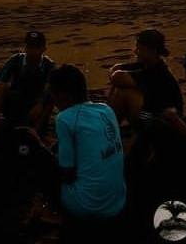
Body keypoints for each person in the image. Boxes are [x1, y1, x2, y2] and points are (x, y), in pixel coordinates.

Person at [50, 64, 126, 241]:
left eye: (53, 93)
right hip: (117, 203)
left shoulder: (64, 118)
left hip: (88, 207)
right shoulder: (106, 110)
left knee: (38, 155)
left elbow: (67, 172)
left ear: (63, 95)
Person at [0, 31, 56, 139]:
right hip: (17, 100)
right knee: (0, 86)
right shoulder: (15, 60)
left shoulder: (49, 65)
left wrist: (40, 103)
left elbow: (50, 88)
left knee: (52, 94)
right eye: (30, 47)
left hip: (36, 105)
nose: (32, 51)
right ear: (25, 48)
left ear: (43, 49)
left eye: (36, 47)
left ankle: (36, 129)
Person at [108, 28, 184, 131]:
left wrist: (117, 79)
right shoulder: (146, 64)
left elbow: (117, 77)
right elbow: (116, 68)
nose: (136, 52)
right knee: (120, 88)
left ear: (153, 51)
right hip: (152, 114)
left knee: (123, 92)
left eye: (140, 49)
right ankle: (111, 127)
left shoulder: (158, 71)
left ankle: (110, 130)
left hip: (162, 121)